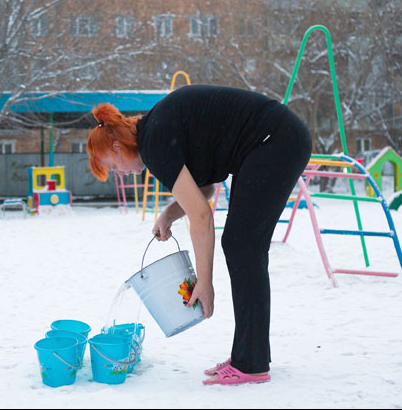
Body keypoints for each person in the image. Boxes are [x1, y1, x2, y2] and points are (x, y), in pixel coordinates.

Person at [86, 84, 312, 385]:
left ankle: (252, 362)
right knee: (243, 245)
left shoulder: (154, 144)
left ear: (116, 147)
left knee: (242, 244)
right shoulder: (155, 132)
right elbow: (204, 189)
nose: (120, 174)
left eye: (113, 167)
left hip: (274, 141)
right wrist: (168, 214)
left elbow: (202, 216)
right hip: (276, 139)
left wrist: (204, 284)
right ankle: (249, 356)